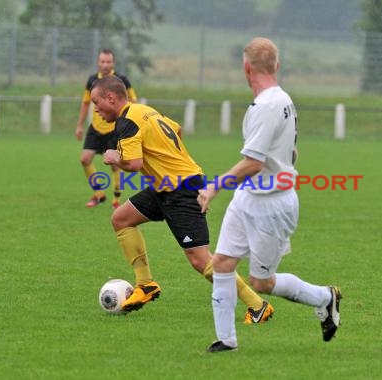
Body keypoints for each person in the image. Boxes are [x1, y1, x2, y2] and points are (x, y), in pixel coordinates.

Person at [197, 37, 341, 353]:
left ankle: (325, 298)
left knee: (262, 282)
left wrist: (214, 186)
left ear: (246, 68)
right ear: (277, 66)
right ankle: (227, 340)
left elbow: (254, 162)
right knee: (221, 263)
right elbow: (288, 150)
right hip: (249, 198)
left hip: (272, 204)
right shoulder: (282, 98)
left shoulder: (267, 106)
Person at [90, 75, 274, 324]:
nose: (96, 110)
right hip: (164, 186)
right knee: (121, 219)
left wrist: (114, 157)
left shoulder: (126, 122)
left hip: (182, 189)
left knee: (200, 260)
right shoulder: (143, 110)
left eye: (97, 102)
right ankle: (145, 284)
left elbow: (133, 164)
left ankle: (258, 305)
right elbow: (176, 128)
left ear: (111, 97)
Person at [75, 49, 138, 209]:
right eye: (102, 61)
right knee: (84, 159)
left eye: (108, 62)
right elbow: (86, 103)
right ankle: (99, 194)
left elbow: (133, 100)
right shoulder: (92, 80)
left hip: (114, 128)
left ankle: (116, 199)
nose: (105, 65)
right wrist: (79, 125)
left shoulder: (121, 80)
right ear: (98, 62)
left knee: (115, 164)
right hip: (96, 127)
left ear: (113, 63)